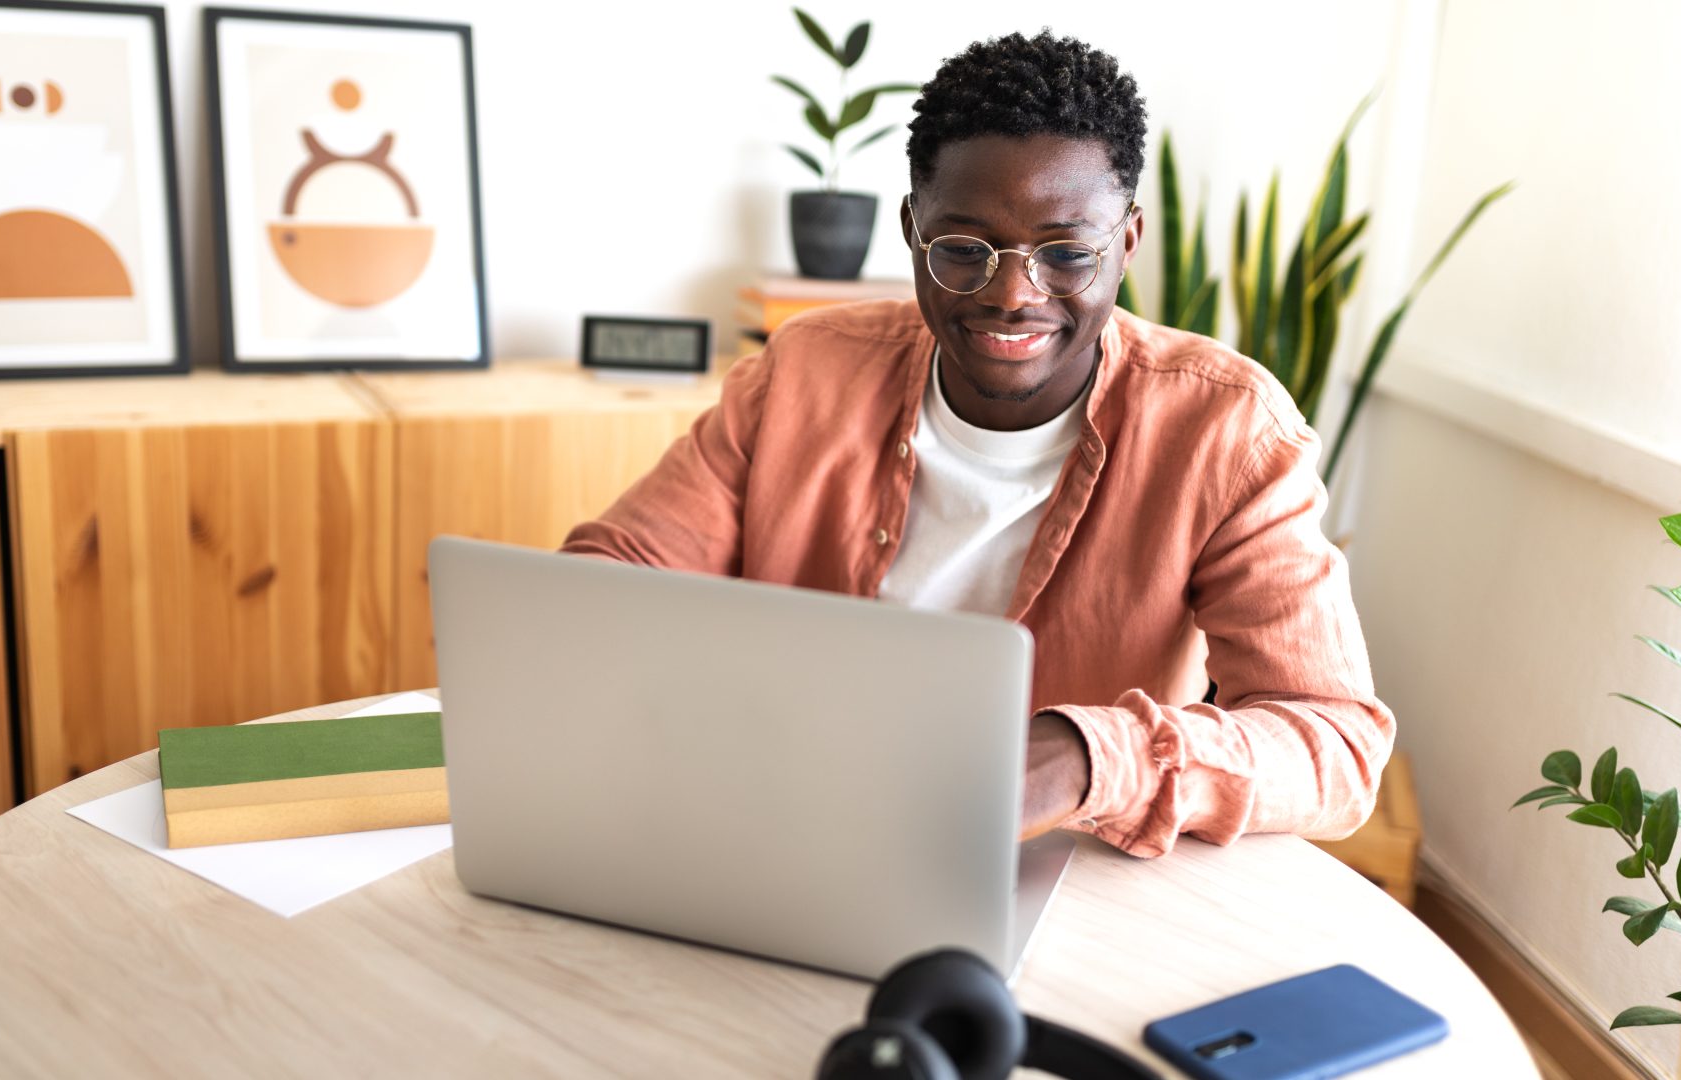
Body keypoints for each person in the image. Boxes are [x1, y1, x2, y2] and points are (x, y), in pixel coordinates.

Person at [563, 30, 1393, 858]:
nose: (1012, 294)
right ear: (912, 231)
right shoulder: (804, 374)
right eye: (964, 250)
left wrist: (1081, 758)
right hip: (778, 821)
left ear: (1127, 241)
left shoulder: (1227, 433)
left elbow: (1337, 746)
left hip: (1046, 868)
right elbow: (614, 576)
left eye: (1066, 253)